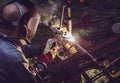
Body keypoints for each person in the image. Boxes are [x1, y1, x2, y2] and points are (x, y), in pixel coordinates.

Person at [0, 0, 57, 83]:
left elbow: (15, 48)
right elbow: (31, 79)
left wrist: (40, 49)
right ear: (24, 27)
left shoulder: (6, 40)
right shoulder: (16, 60)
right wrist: (43, 61)